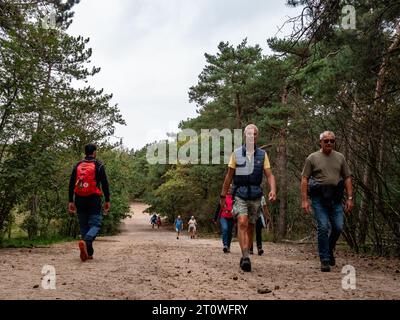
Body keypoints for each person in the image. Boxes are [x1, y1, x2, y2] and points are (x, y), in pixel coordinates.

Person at [220, 124, 277, 272]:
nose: (252, 136)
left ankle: (246, 251)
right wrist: (223, 195)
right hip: (240, 193)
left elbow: (269, 175)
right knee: (242, 221)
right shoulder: (236, 154)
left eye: (255, 134)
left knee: (251, 225)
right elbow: (229, 176)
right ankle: (245, 256)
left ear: (257, 136)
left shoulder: (263, 154)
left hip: (256, 195)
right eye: (249, 134)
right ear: (245, 135)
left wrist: (272, 190)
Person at [301, 131, 354, 272]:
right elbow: (305, 179)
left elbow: (347, 177)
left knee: (338, 227)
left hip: (336, 198)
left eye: (332, 141)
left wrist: (349, 198)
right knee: (323, 227)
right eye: (326, 141)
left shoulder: (340, 157)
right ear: (321, 142)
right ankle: (324, 259)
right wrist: (305, 200)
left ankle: (329, 249)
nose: (329, 143)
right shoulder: (312, 158)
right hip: (319, 198)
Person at [68, 143, 110, 262]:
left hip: (79, 198)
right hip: (94, 198)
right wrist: (107, 200)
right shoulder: (99, 165)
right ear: (94, 152)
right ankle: (86, 242)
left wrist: (71, 200)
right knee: (95, 224)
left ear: (85, 152)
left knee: (83, 225)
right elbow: (105, 184)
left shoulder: (78, 165)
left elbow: (71, 184)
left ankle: (89, 253)